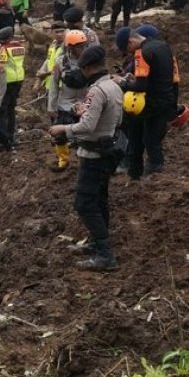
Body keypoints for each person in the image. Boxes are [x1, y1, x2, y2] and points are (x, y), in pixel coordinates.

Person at [50, 45, 124, 271]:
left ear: (89, 68)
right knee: (100, 198)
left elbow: (87, 126)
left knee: (83, 203)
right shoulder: (114, 86)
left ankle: (105, 254)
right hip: (108, 149)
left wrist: (63, 128)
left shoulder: (96, 91)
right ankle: (95, 243)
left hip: (94, 154)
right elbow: (113, 118)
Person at [119, 26, 177, 179]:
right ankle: (153, 174)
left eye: (128, 49)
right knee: (152, 141)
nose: (129, 53)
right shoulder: (163, 46)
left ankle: (143, 175)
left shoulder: (141, 54)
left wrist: (123, 83)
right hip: (165, 99)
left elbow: (140, 85)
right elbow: (172, 77)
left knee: (140, 140)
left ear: (131, 41)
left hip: (149, 103)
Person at [46, 29, 91, 172]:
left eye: (84, 46)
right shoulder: (61, 62)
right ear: (70, 47)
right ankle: (63, 160)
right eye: (79, 47)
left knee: (85, 135)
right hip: (65, 103)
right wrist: (51, 107)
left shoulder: (90, 62)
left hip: (85, 103)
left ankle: (84, 160)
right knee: (59, 135)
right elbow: (53, 84)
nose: (82, 49)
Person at [0, 26, 26, 151]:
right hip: (19, 79)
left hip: (7, 81)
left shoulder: (4, 48)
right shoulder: (20, 46)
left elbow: (1, 66)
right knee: (12, 109)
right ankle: (12, 136)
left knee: (3, 111)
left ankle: (5, 139)